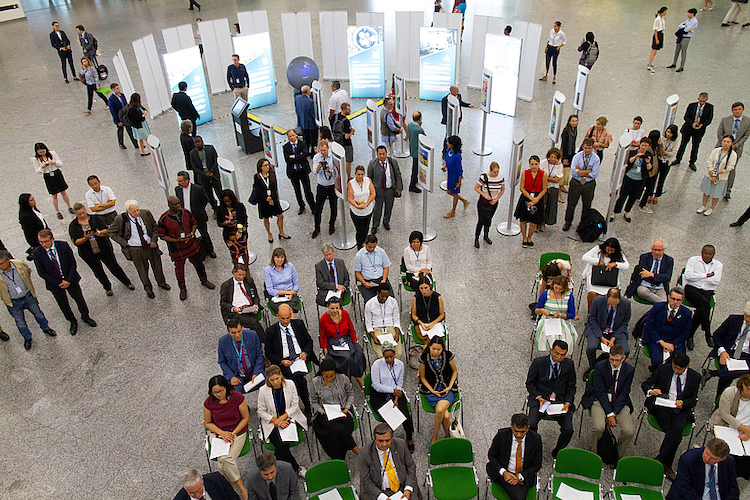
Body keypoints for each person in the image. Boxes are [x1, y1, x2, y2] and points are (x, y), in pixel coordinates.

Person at [641, 352, 700, 480]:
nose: (676, 370)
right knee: (675, 435)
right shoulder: (664, 369)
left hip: (681, 409)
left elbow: (693, 400)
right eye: (674, 367)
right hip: (663, 406)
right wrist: (651, 391)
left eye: (679, 369)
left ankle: (659, 459)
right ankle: (666, 465)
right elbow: (646, 384)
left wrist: (683, 403)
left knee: (676, 431)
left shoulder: (695, 377)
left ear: (687, 366)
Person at [33, 229, 96, 336]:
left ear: (52, 239)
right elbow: (41, 272)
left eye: (46, 241)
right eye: (41, 242)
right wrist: (59, 282)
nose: (43, 244)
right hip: (55, 284)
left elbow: (72, 263)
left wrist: (68, 280)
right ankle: (72, 321)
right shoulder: (37, 252)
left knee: (79, 299)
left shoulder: (63, 246)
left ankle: (86, 316)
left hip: (70, 279)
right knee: (63, 304)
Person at [109, 200, 170, 299]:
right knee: (142, 270)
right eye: (134, 211)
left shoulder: (146, 213)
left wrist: (154, 240)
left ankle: (162, 283)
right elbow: (111, 232)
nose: (137, 213)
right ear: (128, 211)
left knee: (157, 266)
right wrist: (125, 243)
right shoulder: (121, 219)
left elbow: (155, 227)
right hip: (136, 249)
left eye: (138, 210)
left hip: (150, 246)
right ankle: (148, 289)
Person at [581, 346, 634, 458]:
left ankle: (617, 456)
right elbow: (600, 392)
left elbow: (625, 392)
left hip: (619, 403)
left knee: (629, 431)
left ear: (623, 358)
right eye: (612, 359)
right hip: (600, 400)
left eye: (617, 360)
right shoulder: (600, 366)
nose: (614, 363)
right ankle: (593, 453)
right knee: (599, 427)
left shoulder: (629, 370)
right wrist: (609, 415)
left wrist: (614, 412)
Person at [157, 196, 215, 300]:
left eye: (179, 203)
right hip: (177, 249)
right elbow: (161, 235)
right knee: (179, 270)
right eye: (175, 204)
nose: (178, 205)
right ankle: (182, 288)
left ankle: (204, 280)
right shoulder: (163, 219)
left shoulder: (186, 212)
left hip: (191, 245)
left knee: (199, 265)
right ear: (169, 205)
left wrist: (192, 234)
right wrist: (176, 240)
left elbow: (194, 223)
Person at [69, 202, 133, 296]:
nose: (82, 215)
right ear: (75, 214)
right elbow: (76, 242)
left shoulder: (95, 218)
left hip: (104, 248)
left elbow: (106, 231)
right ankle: (107, 288)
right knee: (98, 271)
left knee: (114, 266)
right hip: (88, 253)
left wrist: (97, 233)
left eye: (83, 212)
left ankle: (127, 282)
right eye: (80, 214)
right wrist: (85, 238)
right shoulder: (73, 226)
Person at [525, 340, 576, 457]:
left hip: (560, 402)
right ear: (551, 350)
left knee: (568, 429)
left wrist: (568, 402)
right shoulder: (538, 363)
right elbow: (530, 384)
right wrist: (539, 397)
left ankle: (558, 451)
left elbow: (571, 387)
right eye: (557, 353)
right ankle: (533, 448)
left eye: (563, 355)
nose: (559, 357)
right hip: (540, 400)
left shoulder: (569, 365)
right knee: (531, 424)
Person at [203, 375, 250, 500]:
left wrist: (232, 433)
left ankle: (227, 487)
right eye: (215, 392)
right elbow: (207, 423)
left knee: (223, 461)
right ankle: (241, 488)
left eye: (220, 391)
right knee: (225, 459)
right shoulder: (209, 402)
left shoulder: (237, 397)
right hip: (218, 434)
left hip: (237, 432)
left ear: (226, 388)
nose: (218, 394)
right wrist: (222, 433)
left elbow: (245, 418)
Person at [265, 304, 317, 415]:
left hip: (300, 357)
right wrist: (281, 361)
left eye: (288, 317)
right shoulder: (271, 331)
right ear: (278, 316)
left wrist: (305, 353)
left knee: (297, 378)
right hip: (285, 361)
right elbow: (269, 353)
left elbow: (309, 341)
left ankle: (303, 405)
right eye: (283, 318)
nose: (286, 321)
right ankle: (305, 404)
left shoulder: (298, 324)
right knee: (298, 379)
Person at [0, 250, 56, 351]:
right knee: (20, 322)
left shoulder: (20, 264)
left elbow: (28, 272)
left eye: (1, 263)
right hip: (13, 302)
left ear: (8, 260)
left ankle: (46, 328)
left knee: (39, 314)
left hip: (28, 296)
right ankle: (27, 338)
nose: (0, 266)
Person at [310, 358, 360, 459]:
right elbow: (313, 401)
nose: (329, 379)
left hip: (342, 410)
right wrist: (322, 411)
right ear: (321, 373)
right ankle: (356, 450)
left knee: (340, 429)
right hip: (324, 413)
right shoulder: (315, 382)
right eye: (326, 377)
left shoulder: (343, 378)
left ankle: (339, 458)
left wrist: (347, 407)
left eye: (332, 376)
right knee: (337, 429)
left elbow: (351, 393)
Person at [487, 413, 543, 500]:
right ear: (511, 426)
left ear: (528, 428)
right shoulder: (501, 435)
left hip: (524, 474)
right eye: (516, 431)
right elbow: (492, 455)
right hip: (504, 471)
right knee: (519, 497)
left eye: (522, 432)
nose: (519, 435)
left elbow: (537, 464)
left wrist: (519, 477)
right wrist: (504, 472)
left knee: (519, 496)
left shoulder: (536, 439)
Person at [370, 344, 415, 451]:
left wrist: (396, 397)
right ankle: (389, 438)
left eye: (391, 357)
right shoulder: (377, 365)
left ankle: (409, 438)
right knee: (389, 417)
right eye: (386, 357)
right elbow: (376, 385)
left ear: (394, 355)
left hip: (396, 393)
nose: (389, 359)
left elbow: (399, 382)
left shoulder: (400, 364)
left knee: (405, 416)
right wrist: (393, 391)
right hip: (379, 395)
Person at [666, 438, 739, 500]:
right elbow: (685, 489)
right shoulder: (688, 459)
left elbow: (733, 488)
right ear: (706, 447)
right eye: (707, 453)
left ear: (722, 459)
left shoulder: (729, 462)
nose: (707, 458)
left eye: (713, 458)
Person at [360, 423, 418, 500]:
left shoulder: (401, 444)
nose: (384, 444)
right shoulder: (364, 453)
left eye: (387, 440)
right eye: (380, 441)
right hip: (379, 491)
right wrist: (383, 498)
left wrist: (407, 488)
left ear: (391, 438)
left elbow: (411, 466)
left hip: (402, 487)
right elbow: (366, 480)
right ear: (375, 440)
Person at [709, 375, 750, 480]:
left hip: (746, 431)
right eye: (748, 389)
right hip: (726, 426)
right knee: (726, 452)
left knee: (745, 458)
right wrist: (746, 430)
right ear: (742, 385)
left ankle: (733, 476)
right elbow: (725, 415)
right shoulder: (730, 392)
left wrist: (747, 434)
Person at [419, 336, 458, 444]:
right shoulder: (424, 358)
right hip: (432, 390)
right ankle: (447, 435)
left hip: (447, 388)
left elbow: (455, 372)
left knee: (440, 410)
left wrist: (450, 386)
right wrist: (432, 390)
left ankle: (435, 436)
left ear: (442, 349)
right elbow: (422, 378)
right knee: (445, 416)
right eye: (433, 349)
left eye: (438, 349)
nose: (435, 352)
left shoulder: (448, 355)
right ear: (429, 347)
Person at [583, 289, 630, 374]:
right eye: (610, 303)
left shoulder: (626, 304)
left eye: (615, 304)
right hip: (598, 329)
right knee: (591, 347)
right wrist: (601, 337)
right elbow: (592, 319)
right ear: (606, 297)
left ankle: (610, 365)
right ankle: (593, 367)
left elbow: (624, 323)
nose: (612, 306)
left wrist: (613, 338)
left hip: (616, 331)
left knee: (625, 350)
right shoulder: (597, 301)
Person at [684, 245, 722, 348]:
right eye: (706, 253)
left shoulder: (718, 265)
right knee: (705, 304)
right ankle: (707, 332)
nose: (708, 256)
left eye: (710, 254)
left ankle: (690, 335)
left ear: (713, 255)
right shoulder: (693, 260)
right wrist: (706, 275)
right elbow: (688, 276)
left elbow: (716, 281)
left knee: (702, 308)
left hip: (707, 291)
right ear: (701, 252)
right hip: (692, 288)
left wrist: (698, 276)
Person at [319, 296, 364, 383]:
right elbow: (322, 336)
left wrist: (355, 341)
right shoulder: (323, 319)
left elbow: (351, 329)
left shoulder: (345, 314)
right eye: (332, 308)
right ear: (327, 307)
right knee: (346, 358)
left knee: (358, 354)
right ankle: (351, 378)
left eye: (337, 308)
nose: (335, 311)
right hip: (333, 341)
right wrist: (325, 352)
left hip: (345, 338)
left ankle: (354, 375)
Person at [711, 303, 750, 398]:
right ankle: (719, 401)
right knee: (726, 378)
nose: (748, 319)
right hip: (729, 351)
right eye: (746, 316)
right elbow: (716, 335)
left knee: (728, 374)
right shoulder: (733, 320)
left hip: (746, 355)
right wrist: (722, 351)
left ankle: (714, 373)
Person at [611, 137, 654, 223]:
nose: (644, 147)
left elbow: (649, 168)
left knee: (633, 197)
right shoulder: (633, 152)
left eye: (646, 145)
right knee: (623, 196)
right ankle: (615, 212)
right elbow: (628, 162)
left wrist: (648, 162)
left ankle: (627, 212)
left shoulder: (649, 155)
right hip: (629, 177)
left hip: (640, 180)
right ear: (640, 145)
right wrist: (635, 157)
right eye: (643, 145)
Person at [562, 138, 601, 232]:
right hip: (576, 183)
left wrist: (581, 171)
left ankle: (583, 224)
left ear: (593, 148)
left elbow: (594, 174)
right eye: (586, 148)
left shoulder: (596, 158)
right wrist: (588, 171)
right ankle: (568, 221)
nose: (587, 150)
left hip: (589, 184)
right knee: (571, 204)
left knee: (587, 205)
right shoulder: (577, 156)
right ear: (583, 147)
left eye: (589, 148)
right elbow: (574, 172)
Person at [175, 171, 216, 259]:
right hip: (186, 219)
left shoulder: (198, 189)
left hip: (198, 217)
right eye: (178, 181)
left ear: (187, 180)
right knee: (190, 235)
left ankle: (210, 250)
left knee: (204, 234)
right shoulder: (177, 189)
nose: (179, 183)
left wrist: (199, 210)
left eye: (181, 181)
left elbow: (204, 201)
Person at [218, 318, 265, 394]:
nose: (237, 335)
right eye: (233, 333)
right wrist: (231, 377)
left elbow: (259, 355)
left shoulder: (252, 335)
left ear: (242, 328)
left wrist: (256, 372)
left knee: (269, 386)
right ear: (228, 332)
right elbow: (222, 362)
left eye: (239, 331)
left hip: (254, 370)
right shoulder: (223, 342)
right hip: (236, 374)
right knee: (234, 395)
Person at [536, 276, 579, 358]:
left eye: (560, 289)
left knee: (564, 338)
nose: (558, 291)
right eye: (556, 288)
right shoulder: (545, 294)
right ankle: (554, 356)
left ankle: (559, 356)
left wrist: (559, 315)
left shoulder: (569, 296)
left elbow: (572, 314)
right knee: (553, 337)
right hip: (547, 320)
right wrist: (542, 311)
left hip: (562, 320)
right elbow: (537, 310)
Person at [219, 263, 265, 339]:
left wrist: (256, 306)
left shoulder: (249, 281)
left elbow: (256, 296)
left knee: (253, 324)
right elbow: (223, 303)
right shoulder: (226, 286)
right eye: (239, 275)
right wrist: (233, 308)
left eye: (243, 275)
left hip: (250, 308)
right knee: (254, 324)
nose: (241, 277)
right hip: (237, 312)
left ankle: (255, 340)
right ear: (234, 272)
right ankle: (264, 340)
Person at [581, 238, 629, 308]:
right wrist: (597, 261)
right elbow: (584, 257)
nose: (609, 252)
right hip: (595, 279)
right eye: (608, 250)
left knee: (613, 295)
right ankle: (591, 313)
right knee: (592, 294)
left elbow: (626, 266)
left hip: (610, 281)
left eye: (612, 250)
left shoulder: (619, 254)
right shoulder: (597, 249)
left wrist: (615, 264)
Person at [716, 103, 749, 201]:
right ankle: (714, 184)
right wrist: (726, 144)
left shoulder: (748, 121)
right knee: (717, 165)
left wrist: (735, 146)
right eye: (735, 110)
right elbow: (719, 133)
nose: (737, 111)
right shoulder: (725, 120)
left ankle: (727, 191)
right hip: (722, 147)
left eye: (739, 109)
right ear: (732, 110)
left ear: (742, 109)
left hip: (736, 149)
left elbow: (746, 136)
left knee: (731, 169)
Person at [673, 92, 714, 171]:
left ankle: (692, 162)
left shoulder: (710, 107)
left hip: (699, 130)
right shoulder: (692, 106)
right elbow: (686, 117)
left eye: (704, 102)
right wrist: (692, 123)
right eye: (700, 101)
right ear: (698, 99)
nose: (702, 103)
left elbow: (709, 119)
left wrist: (702, 124)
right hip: (689, 128)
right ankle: (678, 159)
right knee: (683, 144)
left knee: (695, 146)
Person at [31, 143, 72, 220]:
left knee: (63, 191)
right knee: (54, 195)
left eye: (43, 151)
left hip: (56, 173)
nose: (42, 154)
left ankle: (69, 206)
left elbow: (60, 164)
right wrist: (42, 167)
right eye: (40, 152)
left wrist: (54, 162)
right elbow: (37, 171)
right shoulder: (36, 159)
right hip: (47, 176)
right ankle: (57, 211)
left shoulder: (52, 153)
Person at [698, 136, 737, 216]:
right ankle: (703, 205)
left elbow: (730, 167)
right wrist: (711, 172)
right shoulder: (716, 151)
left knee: (716, 193)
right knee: (706, 191)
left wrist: (716, 173)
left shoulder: (733, 155)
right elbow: (710, 161)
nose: (725, 143)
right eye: (724, 141)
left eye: (728, 142)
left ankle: (711, 208)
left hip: (721, 176)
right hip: (710, 174)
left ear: (731, 143)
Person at [367, 146, 402, 234]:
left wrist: (399, 187)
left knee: (389, 208)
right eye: (380, 154)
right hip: (379, 191)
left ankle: (386, 222)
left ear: (386, 153)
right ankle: (375, 225)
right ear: (377, 154)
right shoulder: (372, 164)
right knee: (377, 209)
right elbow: (369, 179)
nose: (382, 156)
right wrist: (372, 191)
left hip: (390, 190)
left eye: (383, 154)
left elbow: (398, 175)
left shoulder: (392, 162)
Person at [515, 156, 547, 247]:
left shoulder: (543, 174)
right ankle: (524, 237)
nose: (534, 166)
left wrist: (536, 199)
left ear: (539, 164)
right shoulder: (525, 173)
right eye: (532, 164)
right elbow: (522, 188)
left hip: (538, 197)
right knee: (523, 219)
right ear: (529, 164)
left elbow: (544, 189)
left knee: (534, 221)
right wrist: (530, 198)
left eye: (536, 164)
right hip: (526, 196)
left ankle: (530, 237)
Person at [254, 159, 289, 243]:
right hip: (263, 200)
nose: (267, 167)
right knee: (266, 218)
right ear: (260, 167)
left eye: (268, 165)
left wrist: (272, 198)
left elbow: (274, 187)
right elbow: (258, 190)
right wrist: (266, 198)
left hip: (273, 199)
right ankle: (269, 234)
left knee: (280, 216)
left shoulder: (272, 174)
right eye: (265, 165)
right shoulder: (257, 176)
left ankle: (281, 232)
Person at [365, 283, 402, 359]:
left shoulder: (393, 301)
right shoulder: (369, 304)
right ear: (377, 293)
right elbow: (368, 323)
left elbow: (396, 318)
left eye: (387, 296)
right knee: (381, 355)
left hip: (390, 327)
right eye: (382, 296)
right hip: (377, 329)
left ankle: (394, 370)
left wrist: (397, 333)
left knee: (398, 353)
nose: (385, 298)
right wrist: (373, 336)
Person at [282, 129, 315, 215]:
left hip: (303, 170)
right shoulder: (286, 147)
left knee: (307, 190)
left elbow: (304, 155)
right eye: (290, 136)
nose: (292, 137)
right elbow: (287, 160)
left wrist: (293, 157)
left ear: (296, 135)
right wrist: (298, 156)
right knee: (297, 191)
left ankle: (313, 207)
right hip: (293, 172)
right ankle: (301, 206)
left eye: (293, 135)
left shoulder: (302, 143)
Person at [473, 161, 505, 248]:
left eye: (497, 171)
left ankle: (486, 236)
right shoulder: (484, 177)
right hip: (483, 202)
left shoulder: (501, 177)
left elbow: (502, 190)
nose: (496, 174)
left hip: (494, 203)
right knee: (481, 220)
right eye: (494, 172)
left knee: (489, 220)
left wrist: (496, 199)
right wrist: (484, 195)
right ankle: (476, 238)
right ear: (490, 170)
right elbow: (476, 187)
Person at [353, 234, 391, 303]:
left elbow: (386, 267)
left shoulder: (381, 252)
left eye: (374, 247)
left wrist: (384, 279)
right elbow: (357, 273)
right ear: (365, 244)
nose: (372, 249)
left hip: (381, 279)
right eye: (370, 247)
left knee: (390, 300)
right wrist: (364, 283)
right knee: (370, 303)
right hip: (368, 281)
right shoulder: (359, 255)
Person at [311, 140, 337, 239]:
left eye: (324, 150)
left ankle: (332, 224)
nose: (322, 152)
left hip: (331, 186)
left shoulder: (333, 157)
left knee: (333, 207)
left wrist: (329, 171)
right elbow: (314, 172)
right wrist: (318, 167)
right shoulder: (316, 158)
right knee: (318, 209)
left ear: (328, 149)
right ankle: (317, 227)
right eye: (321, 150)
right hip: (321, 186)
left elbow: (336, 174)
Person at [216, 189, 249, 267]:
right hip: (229, 236)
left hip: (241, 234)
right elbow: (219, 223)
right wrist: (224, 223)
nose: (228, 203)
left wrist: (244, 226)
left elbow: (244, 218)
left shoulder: (240, 206)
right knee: (234, 253)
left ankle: (246, 267)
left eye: (229, 201)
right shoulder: (220, 210)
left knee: (244, 251)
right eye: (226, 202)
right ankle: (237, 268)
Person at [189, 136, 222, 210]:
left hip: (214, 175)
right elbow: (194, 167)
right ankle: (215, 209)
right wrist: (204, 174)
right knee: (209, 195)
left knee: (219, 192)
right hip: (203, 178)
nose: (197, 143)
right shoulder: (192, 153)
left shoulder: (210, 148)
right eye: (195, 142)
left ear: (202, 141)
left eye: (198, 141)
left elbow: (215, 160)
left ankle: (223, 208)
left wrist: (211, 171)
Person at [347, 165, 376, 249]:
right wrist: (357, 206)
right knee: (360, 231)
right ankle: (360, 246)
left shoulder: (368, 180)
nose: (360, 176)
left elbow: (373, 193)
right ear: (355, 174)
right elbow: (350, 198)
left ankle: (364, 244)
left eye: (362, 174)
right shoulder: (351, 183)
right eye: (358, 174)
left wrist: (366, 204)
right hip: (356, 212)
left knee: (366, 229)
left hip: (368, 210)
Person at [410, 276, 445, 346]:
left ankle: (427, 350)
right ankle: (433, 350)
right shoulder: (416, 298)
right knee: (433, 340)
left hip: (435, 324)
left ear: (430, 286)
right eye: (421, 288)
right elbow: (413, 315)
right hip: (421, 324)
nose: (423, 291)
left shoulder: (437, 297)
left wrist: (433, 323)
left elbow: (442, 314)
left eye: (426, 288)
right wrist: (421, 323)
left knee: (432, 339)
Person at [440, 85, 473, 157]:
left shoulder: (458, 96)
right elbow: (444, 112)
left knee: (455, 134)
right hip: (450, 122)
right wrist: (446, 121)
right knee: (448, 136)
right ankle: (445, 151)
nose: (458, 92)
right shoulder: (445, 100)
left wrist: (468, 105)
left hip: (457, 120)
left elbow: (460, 103)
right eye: (457, 91)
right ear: (452, 91)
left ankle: (454, 149)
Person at [264, 248, 300, 313]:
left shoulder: (290, 266)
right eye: (277, 257)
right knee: (285, 311)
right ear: (273, 258)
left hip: (290, 297)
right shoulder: (268, 270)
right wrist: (288, 292)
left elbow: (296, 283)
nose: (280, 260)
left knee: (288, 311)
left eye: (282, 257)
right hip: (276, 297)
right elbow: (270, 290)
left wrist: (291, 294)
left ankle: (288, 322)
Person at [442, 135, 469, 218]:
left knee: (455, 193)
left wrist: (459, 182)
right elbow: (446, 159)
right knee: (449, 192)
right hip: (449, 175)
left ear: (453, 144)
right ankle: (464, 201)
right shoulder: (449, 150)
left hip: (455, 177)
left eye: (448, 142)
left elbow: (459, 169)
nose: (447, 143)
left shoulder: (457, 156)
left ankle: (453, 211)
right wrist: (444, 165)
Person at [18, 193, 48, 261]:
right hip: (40, 240)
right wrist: (34, 244)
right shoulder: (25, 216)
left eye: (33, 199)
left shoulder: (33, 209)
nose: (34, 201)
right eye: (31, 200)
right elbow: (28, 232)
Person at [107, 83, 138, 149]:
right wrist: (118, 121)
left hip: (126, 117)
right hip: (119, 118)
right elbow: (113, 111)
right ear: (113, 89)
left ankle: (136, 143)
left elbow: (126, 105)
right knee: (120, 131)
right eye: (117, 88)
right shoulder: (111, 100)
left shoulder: (122, 95)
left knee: (130, 130)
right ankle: (121, 143)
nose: (119, 90)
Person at [174, 469, 239, 500]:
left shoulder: (217, 479)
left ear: (202, 480)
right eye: (192, 493)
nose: (197, 495)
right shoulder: (180, 498)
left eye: (199, 490)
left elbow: (234, 497)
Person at [539, 148, 562, 230]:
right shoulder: (543, 163)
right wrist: (551, 178)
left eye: (555, 157)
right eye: (551, 157)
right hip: (543, 187)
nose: (552, 159)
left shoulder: (559, 165)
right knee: (542, 205)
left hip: (553, 188)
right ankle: (539, 223)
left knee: (550, 205)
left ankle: (545, 222)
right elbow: (541, 176)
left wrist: (547, 178)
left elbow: (557, 179)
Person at [654, 124, 679, 200]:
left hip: (667, 162)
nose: (668, 134)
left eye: (670, 133)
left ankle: (657, 196)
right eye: (667, 131)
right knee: (654, 177)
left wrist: (665, 152)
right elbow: (658, 149)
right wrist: (666, 152)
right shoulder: (662, 138)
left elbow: (673, 153)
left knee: (662, 179)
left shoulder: (676, 142)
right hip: (659, 160)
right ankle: (651, 193)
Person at [295, 86, 317, 158]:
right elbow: (313, 114)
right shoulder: (310, 102)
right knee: (313, 139)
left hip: (302, 122)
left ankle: (306, 152)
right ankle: (313, 153)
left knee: (305, 138)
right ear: (308, 92)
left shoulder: (297, 98)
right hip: (311, 124)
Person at [560, 115, 578, 197]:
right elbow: (564, 145)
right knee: (563, 172)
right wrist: (565, 157)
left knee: (566, 172)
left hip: (571, 153)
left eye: (576, 121)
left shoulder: (574, 130)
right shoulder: (566, 132)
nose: (575, 123)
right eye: (573, 121)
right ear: (569, 122)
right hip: (566, 154)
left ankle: (562, 186)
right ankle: (559, 188)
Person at [407, 111, 425, 193]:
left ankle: (415, 180)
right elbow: (424, 138)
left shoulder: (410, 125)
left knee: (415, 167)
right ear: (420, 118)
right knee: (415, 169)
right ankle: (412, 185)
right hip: (417, 152)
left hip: (412, 148)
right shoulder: (419, 129)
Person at [648, 7, 668, 72]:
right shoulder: (657, 19)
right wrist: (656, 39)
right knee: (654, 50)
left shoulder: (662, 19)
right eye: (665, 12)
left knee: (655, 51)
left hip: (661, 33)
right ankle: (649, 65)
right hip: (658, 34)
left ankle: (651, 63)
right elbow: (655, 30)